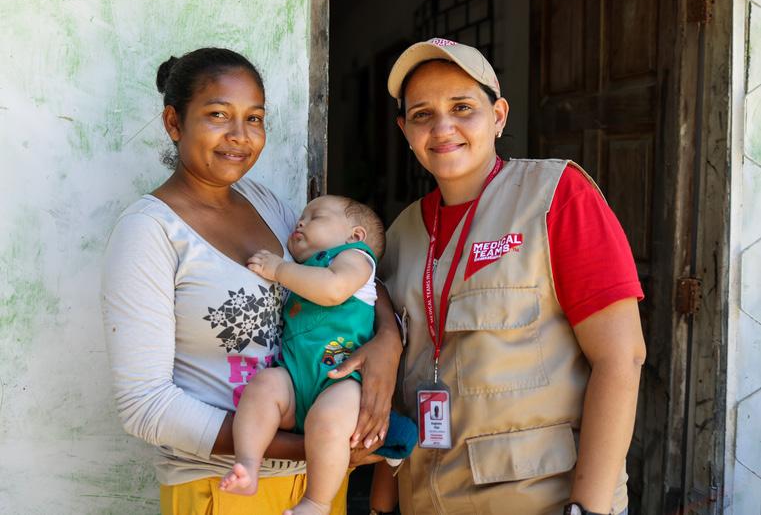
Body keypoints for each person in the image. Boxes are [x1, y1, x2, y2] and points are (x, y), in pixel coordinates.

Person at [101, 47, 402, 515]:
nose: (240, 136)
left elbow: (347, 272)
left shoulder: (266, 204)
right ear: (174, 123)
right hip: (222, 487)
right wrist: (314, 444)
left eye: (254, 118)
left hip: (317, 486)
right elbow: (146, 407)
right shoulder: (149, 232)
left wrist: (388, 339)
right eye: (218, 115)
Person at [378, 38, 646, 515]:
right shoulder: (400, 235)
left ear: (498, 116)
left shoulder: (556, 196)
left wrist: (587, 509)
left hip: (544, 502)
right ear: (405, 130)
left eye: (462, 107)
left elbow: (621, 359)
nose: (443, 127)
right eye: (422, 114)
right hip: (426, 500)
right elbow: (397, 385)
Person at [218, 195, 413, 515]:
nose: (301, 221)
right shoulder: (305, 267)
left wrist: (279, 269)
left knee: (329, 422)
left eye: (316, 216)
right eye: (302, 216)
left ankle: (316, 502)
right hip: (295, 376)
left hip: (341, 378)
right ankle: (247, 465)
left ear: (355, 235)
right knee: (263, 386)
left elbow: (333, 289)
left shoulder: (355, 258)